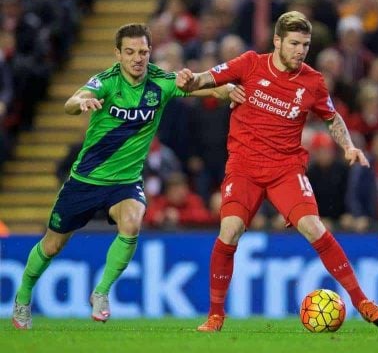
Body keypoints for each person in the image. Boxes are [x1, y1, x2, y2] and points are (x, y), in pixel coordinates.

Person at [11, 23, 237, 330]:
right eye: (130, 52)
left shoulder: (161, 82)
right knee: (52, 246)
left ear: (150, 52)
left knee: (132, 222)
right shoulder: (106, 81)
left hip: (125, 182)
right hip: (86, 180)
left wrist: (226, 90)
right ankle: (23, 297)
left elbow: (198, 88)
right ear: (118, 54)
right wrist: (82, 103)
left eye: (143, 51)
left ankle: (101, 292)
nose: (137, 58)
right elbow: (71, 102)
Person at [176, 11, 378, 332]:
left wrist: (348, 146)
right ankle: (216, 315)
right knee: (229, 230)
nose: (300, 50)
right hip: (244, 168)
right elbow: (205, 79)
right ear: (277, 41)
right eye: (293, 43)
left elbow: (332, 118)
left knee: (313, 227)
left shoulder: (313, 82)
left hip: (285, 169)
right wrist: (188, 79)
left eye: (305, 44)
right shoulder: (249, 64)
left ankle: (363, 302)